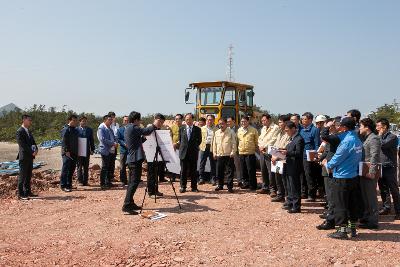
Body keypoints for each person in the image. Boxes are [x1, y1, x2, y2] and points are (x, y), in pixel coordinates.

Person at [323, 117, 363, 239]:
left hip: (341, 177)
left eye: (339, 125)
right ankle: (352, 228)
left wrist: (326, 163)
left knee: (340, 204)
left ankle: (342, 231)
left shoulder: (346, 142)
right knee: (352, 204)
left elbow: (336, 159)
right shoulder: (356, 138)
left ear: (344, 127)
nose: (338, 126)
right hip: (353, 176)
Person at [122, 111, 160, 214]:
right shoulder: (133, 127)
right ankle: (126, 205)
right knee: (134, 183)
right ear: (136, 120)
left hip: (133, 159)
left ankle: (130, 202)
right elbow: (146, 131)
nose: (140, 122)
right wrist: (154, 125)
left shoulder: (129, 128)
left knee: (132, 182)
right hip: (134, 159)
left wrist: (143, 138)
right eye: (139, 120)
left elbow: (136, 141)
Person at [316, 118, 341, 230]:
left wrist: (326, 127)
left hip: (332, 168)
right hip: (327, 167)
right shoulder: (333, 137)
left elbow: (324, 136)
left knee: (332, 195)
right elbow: (327, 151)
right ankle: (331, 216)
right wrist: (320, 158)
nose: (330, 127)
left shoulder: (337, 137)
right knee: (329, 194)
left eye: (331, 125)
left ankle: (331, 219)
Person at [358, 118, 381, 229]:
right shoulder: (367, 138)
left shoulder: (374, 138)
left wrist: (372, 172)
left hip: (369, 171)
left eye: (361, 126)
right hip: (364, 170)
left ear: (367, 127)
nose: (359, 128)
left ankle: (373, 220)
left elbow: (375, 156)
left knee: (371, 196)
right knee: (365, 195)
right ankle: (367, 217)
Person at [376, 118, 400, 220]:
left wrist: (379, 136)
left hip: (389, 167)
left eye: (378, 126)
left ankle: (398, 210)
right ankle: (386, 207)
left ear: (384, 127)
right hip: (381, 166)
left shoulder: (393, 137)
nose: (376, 128)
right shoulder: (380, 136)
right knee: (383, 189)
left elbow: (383, 145)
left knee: (393, 189)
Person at [279, 121, 305, 213]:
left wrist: (286, 152)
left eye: (287, 130)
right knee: (289, 185)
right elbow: (290, 150)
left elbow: (298, 153)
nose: (286, 132)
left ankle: (296, 206)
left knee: (295, 186)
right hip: (289, 164)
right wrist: (283, 150)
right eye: (285, 130)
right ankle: (290, 202)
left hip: (295, 166)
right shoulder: (292, 138)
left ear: (293, 129)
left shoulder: (299, 139)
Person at [178, 113, 202, 193]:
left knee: (193, 171)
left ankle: (194, 187)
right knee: (183, 171)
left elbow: (199, 141)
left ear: (193, 119)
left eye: (189, 119)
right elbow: (180, 140)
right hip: (183, 153)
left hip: (193, 153)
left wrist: (193, 147)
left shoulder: (197, 129)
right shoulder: (181, 128)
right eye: (186, 119)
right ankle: (183, 187)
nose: (188, 121)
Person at [16, 114, 38, 200]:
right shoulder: (19, 131)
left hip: (30, 157)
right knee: (22, 176)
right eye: (29, 120)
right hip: (24, 157)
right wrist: (32, 152)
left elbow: (33, 142)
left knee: (28, 175)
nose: (30, 121)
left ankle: (28, 192)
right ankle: (21, 194)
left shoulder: (28, 131)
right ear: (24, 120)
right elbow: (22, 145)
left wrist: (36, 149)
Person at [299, 112, 321, 202]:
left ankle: (312, 194)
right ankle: (303, 192)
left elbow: (317, 144)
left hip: (309, 156)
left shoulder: (314, 130)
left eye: (304, 119)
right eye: (302, 119)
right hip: (301, 154)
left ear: (310, 120)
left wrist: (315, 156)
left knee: (309, 175)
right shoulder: (301, 129)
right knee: (302, 175)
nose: (303, 120)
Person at [257, 113, 280, 195]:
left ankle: (272, 189)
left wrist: (264, 146)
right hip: (262, 151)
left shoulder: (275, 128)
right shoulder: (263, 128)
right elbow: (260, 138)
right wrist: (260, 146)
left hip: (270, 151)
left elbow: (274, 140)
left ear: (269, 119)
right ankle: (265, 187)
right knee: (263, 170)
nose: (263, 122)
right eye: (262, 120)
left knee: (271, 171)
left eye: (264, 120)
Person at [270, 114, 291, 202]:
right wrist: (273, 156)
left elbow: (286, 148)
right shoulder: (280, 133)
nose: (279, 124)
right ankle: (280, 195)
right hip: (276, 159)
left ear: (285, 122)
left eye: (280, 122)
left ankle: (287, 197)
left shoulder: (289, 134)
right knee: (278, 178)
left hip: (283, 159)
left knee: (284, 180)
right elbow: (276, 145)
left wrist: (276, 156)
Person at [212, 118, 237, 193]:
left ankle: (230, 187)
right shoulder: (216, 132)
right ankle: (220, 185)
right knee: (219, 171)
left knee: (229, 171)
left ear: (226, 124)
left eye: (222, 123)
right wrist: (214, 152)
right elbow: (214, 144)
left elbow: (234, 143)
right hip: (219, 155)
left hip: (229, 155)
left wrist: (233, 152)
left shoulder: (231, 132)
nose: (221, 125)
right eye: (220, 124)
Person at [146, 113, 168, 197]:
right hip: (150, 153)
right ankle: (151, 192)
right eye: (160, 122)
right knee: (151, 174)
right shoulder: (150, 127)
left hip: (157, 153)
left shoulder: (159, 129)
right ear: (157, 120)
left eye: (162, 122)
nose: (161, 124)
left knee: (156, 173)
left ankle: (156, 190)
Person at [237, 116, 259, 190]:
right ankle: (246, 183)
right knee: (243, 170)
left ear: (248, 122)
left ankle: (253, 185)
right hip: (241, 153)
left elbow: (256, 142)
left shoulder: (253, 130)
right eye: (242, 121)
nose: (243, 123)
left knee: (251, 170)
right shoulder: (239, 130)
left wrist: (256, 150)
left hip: (250, 153)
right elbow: (237, 141)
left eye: (245, 121)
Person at [97, 115, 117, 190]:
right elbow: (102, 139)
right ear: (105, 120)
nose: (111, 121)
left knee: (110, 166)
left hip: (111, 150)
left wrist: (115, 142)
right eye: (109, 120)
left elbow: (114, 137)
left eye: (111, 120)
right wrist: (112, 143)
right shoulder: (101, 128)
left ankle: (108, 182)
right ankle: (102, 183)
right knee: (105, 167)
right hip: (105, 150)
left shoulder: (110, 129)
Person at [60, 114, 79, 192]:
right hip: (67, 153)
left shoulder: (75, 129)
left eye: (75, 121)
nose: (75, 122)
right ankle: (63, 185)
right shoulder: (66, 129)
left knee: (72, 169)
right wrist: (66, 150)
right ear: (69, 120)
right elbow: (64, 141)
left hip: (74, 152)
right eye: (73, 120)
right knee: (66, 169)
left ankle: (69, 184)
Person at [76, 116, 95, 186]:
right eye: (83, 121)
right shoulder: (76, 129)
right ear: (80, 122)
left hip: (86, 149)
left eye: (85, 121)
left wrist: (92, 149)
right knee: (79, 166)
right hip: (79, 150)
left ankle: (85, 181)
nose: (84, 122)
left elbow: (91, 140)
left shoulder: (89, 130)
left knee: (86, 166)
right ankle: (80, 181)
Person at [199, 115, 218, 185]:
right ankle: (201, 178)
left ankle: (213, 178)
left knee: (213, 163)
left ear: (213, 120)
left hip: (212, 147)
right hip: (203, 147)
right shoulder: (201, 128)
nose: (209, 121)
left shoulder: (216, 129)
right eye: (208, 120)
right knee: (202, 163)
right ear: (206, 120)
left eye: (211, 120)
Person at [227, 116, 241, 185]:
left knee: (237, 166)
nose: (228, 123)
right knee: (229, 167)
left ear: (234, 121)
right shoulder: (226, 129)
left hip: (236, 151)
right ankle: (229, 181)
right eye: (227, 122)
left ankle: (239, 181)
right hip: (228, 151)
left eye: (230, 121)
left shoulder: (239, 129)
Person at [108, 111, 119, 186]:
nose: (113, 118)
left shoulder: (117, 124)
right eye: (111, 117)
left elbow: (117, 133)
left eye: (114, 117)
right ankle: (107, 177)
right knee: (108, 161)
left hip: (115, 145)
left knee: (113, 161)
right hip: (108, 145)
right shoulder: (107, 125)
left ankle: (112, 176)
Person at [117, 116, 129, 186]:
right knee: (122, 166)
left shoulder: (132, 129)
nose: (126, 122)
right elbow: (118, 139)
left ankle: (131, 180)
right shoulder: (120, 130)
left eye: (127, 120)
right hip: (123, 150)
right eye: (125, 120)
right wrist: (124, 144)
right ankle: (123, 181)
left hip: (131, 150)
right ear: (123, 121)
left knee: (131, 166)